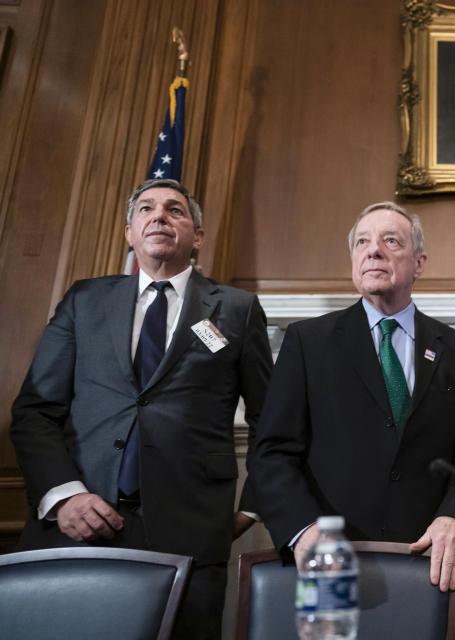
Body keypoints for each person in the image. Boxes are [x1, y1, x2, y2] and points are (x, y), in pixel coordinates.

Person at [11, 178, 273, 639]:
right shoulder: (84, 300)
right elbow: (35, 411)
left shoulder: (237, 309)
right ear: (129, 232)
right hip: (80, 521)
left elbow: (271, 419)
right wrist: (64, 495)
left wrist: (252, 508)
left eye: (175, 210)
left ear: (198, 235)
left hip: (189, 529)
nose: (160, 216)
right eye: (147, 209)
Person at [248, 201, 455, 593]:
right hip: (329, 558)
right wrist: (302, 528)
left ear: (419, 263)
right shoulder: (307, 342)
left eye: (391, 241)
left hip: (429, 561)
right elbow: (272, 451)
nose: (373, 250)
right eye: (362, 242)